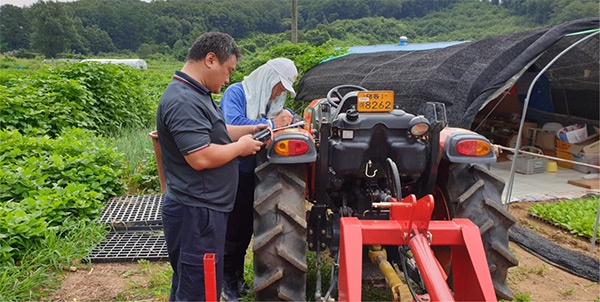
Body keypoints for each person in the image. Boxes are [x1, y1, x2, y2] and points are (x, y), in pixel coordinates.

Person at [156, 32, 267, 302]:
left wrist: (251, 129)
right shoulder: (183, 100)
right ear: (210, 60)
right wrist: (241, 148)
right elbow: (201, 156)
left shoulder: (196, 93)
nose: (228, 79)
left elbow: (216, 132)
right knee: (199, 290)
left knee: (191, 284)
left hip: (203, 210)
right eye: (228, 70)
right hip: (197, 214)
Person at [219, 58, 298, 301]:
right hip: (236, 171)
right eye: (279, 87)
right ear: (268, 79)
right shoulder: (237, 94)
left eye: (284, 90)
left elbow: (283, 117)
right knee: (233, 230)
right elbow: (232, 126)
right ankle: (227, 281)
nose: (280, 92)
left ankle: (237, 277)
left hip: (261, 171)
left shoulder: (269, 99)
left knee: (247, 229)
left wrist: (289, 117)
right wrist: (273, 123)